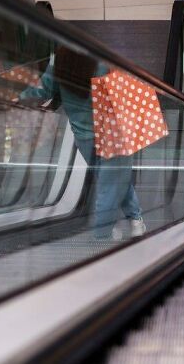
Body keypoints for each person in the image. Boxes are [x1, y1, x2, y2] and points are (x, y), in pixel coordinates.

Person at [19, 46, 146, 240]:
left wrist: (19, 97)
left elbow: (42, 89)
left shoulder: (58, 64)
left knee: (112, 179)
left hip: (84, 137)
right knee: (109, 184)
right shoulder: (102, 63)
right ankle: (103, 233)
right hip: (111, 134)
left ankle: (135, 219)